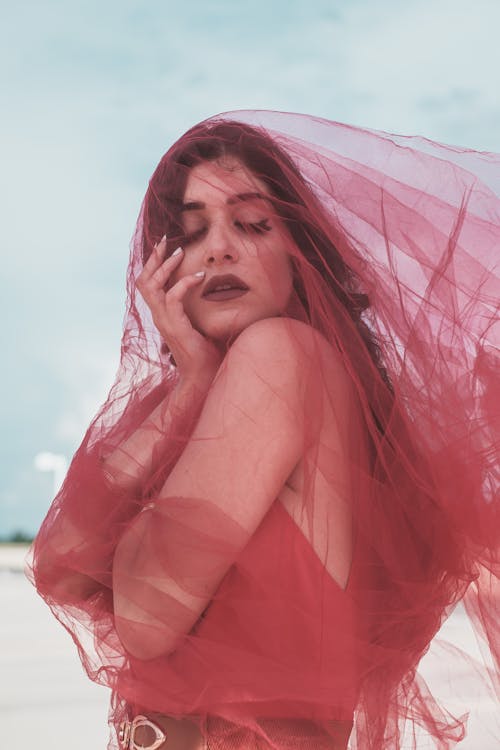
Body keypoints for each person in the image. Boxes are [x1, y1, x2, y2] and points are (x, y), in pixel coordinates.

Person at [28, 111, 499, 750]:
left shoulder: (282, 356)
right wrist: (190, 387)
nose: (219, 247)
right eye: (192, 232)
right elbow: (58, 565)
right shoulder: (216, 398)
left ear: (299, 255)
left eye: (252, 224)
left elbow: (144, 620)